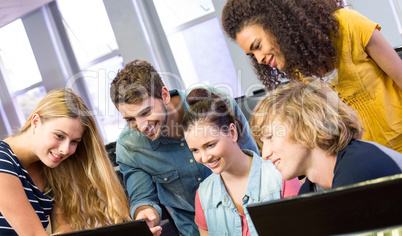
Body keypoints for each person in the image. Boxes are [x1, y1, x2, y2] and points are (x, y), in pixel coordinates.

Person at [221, 0, 402, 152]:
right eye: (252, 55)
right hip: (365, 158)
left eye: (258, 46)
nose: (259, 58)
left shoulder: (350, 24)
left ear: (277, 25)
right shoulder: (299, 70)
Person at [109, 59, 259, 236]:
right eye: (130, 119)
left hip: (249, 217)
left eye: (146, 112)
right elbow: (142, 198)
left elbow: (253, 161)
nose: (142, 127)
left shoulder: (213, 102)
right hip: (194, 229)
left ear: (164, 95)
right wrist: (145, 215)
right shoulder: (130, 146)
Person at [0, 88, 130, 235]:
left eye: (74, 141)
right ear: (36, 122)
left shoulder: (50, 165)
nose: (65, 150)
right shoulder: (2, 160)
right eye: (59, 136)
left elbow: (62, 225)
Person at [250, 78, 402, 195]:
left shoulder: (360, 171)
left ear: (307, 126)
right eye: (262, 144)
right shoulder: (309, 191)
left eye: (270, 137)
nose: (265, 155)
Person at [182, 88, 300, 236]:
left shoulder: (281, 176)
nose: (204, 158)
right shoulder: (203, 195)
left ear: (232, 132)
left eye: (210, 145)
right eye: (195, 150)